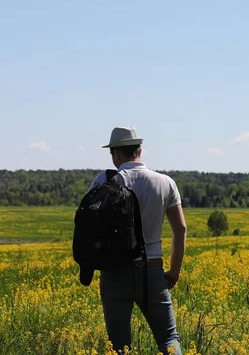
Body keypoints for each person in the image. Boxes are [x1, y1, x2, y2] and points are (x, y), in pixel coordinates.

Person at [89, 127, 187, 355]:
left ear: (116, 154)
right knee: (169, 338)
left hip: (114, 273)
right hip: (151, 270)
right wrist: (174, 272)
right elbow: (180, 229)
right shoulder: (165, 182)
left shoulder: (103, 181)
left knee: (119, 346)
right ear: (140, 150)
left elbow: (90, 227)